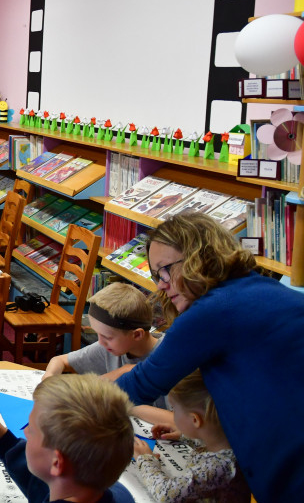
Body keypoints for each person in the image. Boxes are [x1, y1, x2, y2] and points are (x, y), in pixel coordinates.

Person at [114, 212, 304, 503]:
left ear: (196, 257)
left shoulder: (215, 310)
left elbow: (143, 383)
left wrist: (72, 406)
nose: (161, 285)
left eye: (164, 271)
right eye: (156, 276)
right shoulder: (260, 289)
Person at [0, 374, 135, 503]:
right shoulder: (115, 492)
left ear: (56, 462)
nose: (24, 432)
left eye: (31, 429)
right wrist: (1, 437)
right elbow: (46, 484)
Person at [132, 369, 251, 503]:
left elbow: (167, 495)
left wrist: (145, 460)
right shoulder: (229, 445)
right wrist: (185, 434)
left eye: (174, 409)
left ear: (195, 420)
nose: (172, 413)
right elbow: (205, 444)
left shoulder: (218, 467)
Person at [43, 282, 161, 382]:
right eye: (97, 334)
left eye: (107, 337)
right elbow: (59, 360)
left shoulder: (168, 359)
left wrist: (116, 376)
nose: (100, 342)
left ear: (137, 335)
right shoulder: (109, 346)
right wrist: (49, 379)